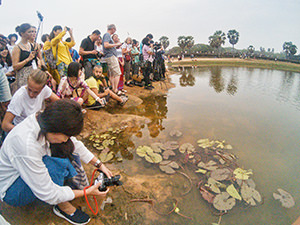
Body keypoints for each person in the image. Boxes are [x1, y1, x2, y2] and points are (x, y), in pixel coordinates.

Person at [0, 99, 113, 225]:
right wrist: (86, 192)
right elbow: (48, 193)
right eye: (66, 135)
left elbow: (75, 144)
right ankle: (62, 206)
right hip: (12, 190)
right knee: (59, 164)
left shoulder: (45, 119)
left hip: (25, 170)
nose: (67, 139)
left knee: (67, 148)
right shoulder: (26, 144)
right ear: (55, 130)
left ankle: (63, 189)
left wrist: (99, 164)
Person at [11, 23, 35, 90]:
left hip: (32, 73)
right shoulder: (17, 48)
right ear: (22, 33)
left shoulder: (31, 45)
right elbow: (15, 66)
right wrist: (27, 59)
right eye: (29, 32)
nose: (31, 33)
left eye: (32, 31)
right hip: (22, 76)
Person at [102, 24, 122, 94]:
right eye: (115, 29)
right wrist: (116, 44)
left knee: (112, 74)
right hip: (111, 56)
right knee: (117, 73)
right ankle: (115, 89)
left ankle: (113, 88)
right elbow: (106, 45)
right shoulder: (107, 35)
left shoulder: (107, 35)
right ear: (112, 29)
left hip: (109, 56)